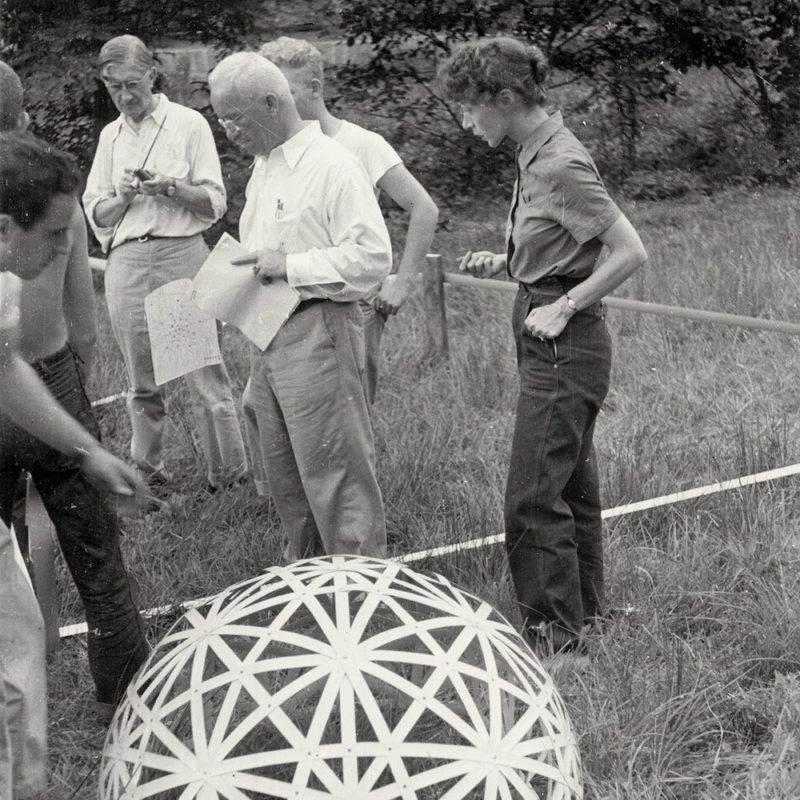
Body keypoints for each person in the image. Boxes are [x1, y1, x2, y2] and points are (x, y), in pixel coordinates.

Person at [437, 37, 648, 655]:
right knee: (569, 487)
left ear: (504, 98)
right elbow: (561, 242)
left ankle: (556, 642)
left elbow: (630, 251)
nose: (465, 121)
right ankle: (586, 620)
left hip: (565, 339)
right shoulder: (532, 153)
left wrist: (564, 304)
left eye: (470, 108)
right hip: (543, 323)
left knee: (532, 496)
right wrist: (511, 262)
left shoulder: (559, 162)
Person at [0, 60, 149, 726]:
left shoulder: (12, 266)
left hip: (42, 382)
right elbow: (71, 328)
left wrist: (86, 449)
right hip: (56, 369)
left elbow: (4, 369)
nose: (64, 247)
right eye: (55, 236)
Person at [207, 52, 391, 559]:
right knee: (289, 483)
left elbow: (373, 257)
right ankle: (310, 596)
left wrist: (291, 266)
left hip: (321, 332)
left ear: (271, 102)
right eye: (219, 119)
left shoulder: (332, 164)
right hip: (271, 337)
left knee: (338, 482)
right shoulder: (263, 169)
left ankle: (361, 600)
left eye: (233, 118)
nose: (227, 131)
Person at [83, 35, 247, 492]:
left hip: (179, 255)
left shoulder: (188, 124)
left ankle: (229, 476)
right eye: (112, 86)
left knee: (200, 373)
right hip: (127, 260)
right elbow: (94, 212)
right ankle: (146, 476)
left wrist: (170, 188)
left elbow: (214, 203)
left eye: (132, 83)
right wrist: (123, 197)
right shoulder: (110, 136)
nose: (124, 95)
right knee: (142, 382)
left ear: (153, 74)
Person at [259, 36, 439, 406]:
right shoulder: (274, 151)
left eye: (287, 90)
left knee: (349, 416)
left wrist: (401, 285)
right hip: (287, 307)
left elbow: (424, 208)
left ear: (315, 88)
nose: (278, 102)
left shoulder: (360, 143)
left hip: (346, 303)